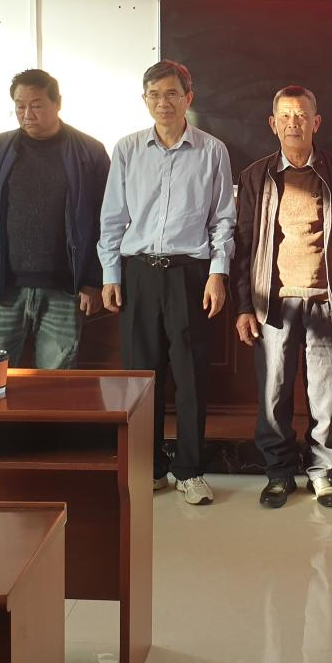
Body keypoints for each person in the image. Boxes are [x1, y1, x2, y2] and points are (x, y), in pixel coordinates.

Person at [99, 60, 236, 506]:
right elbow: (113, 217)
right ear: (145, 100)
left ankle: (190, 470)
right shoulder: (127, 149)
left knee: (190, 374)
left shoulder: (212, 150)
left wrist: (217, 273)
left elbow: (223, 220)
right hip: (138, 273)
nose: (164, 103)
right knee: (141, 377)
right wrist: (110, 274)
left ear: (188, 98)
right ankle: (151, 467)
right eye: (155, 95)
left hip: (188, 274)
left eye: (172, 93)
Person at [232, 86, 332, 510]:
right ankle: (278, 473)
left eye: (302, 115)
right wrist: (244, 306)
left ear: (316, 122)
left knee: (326, 393)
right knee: (273, 393)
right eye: (286, 116)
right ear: (273, 124)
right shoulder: (255, 175)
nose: (294, 123)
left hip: (327, 299)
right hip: (272, 302)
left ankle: (322, 472)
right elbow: (243, 244)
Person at [0, 69, 110, 370]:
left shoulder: (89, 152)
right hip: (0, 290)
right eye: (20, 106)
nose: (27, 114)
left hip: (65, 290)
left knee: (56, 380)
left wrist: (93, 280)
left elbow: (104, 220)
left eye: (37, 105)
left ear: (58, 103)